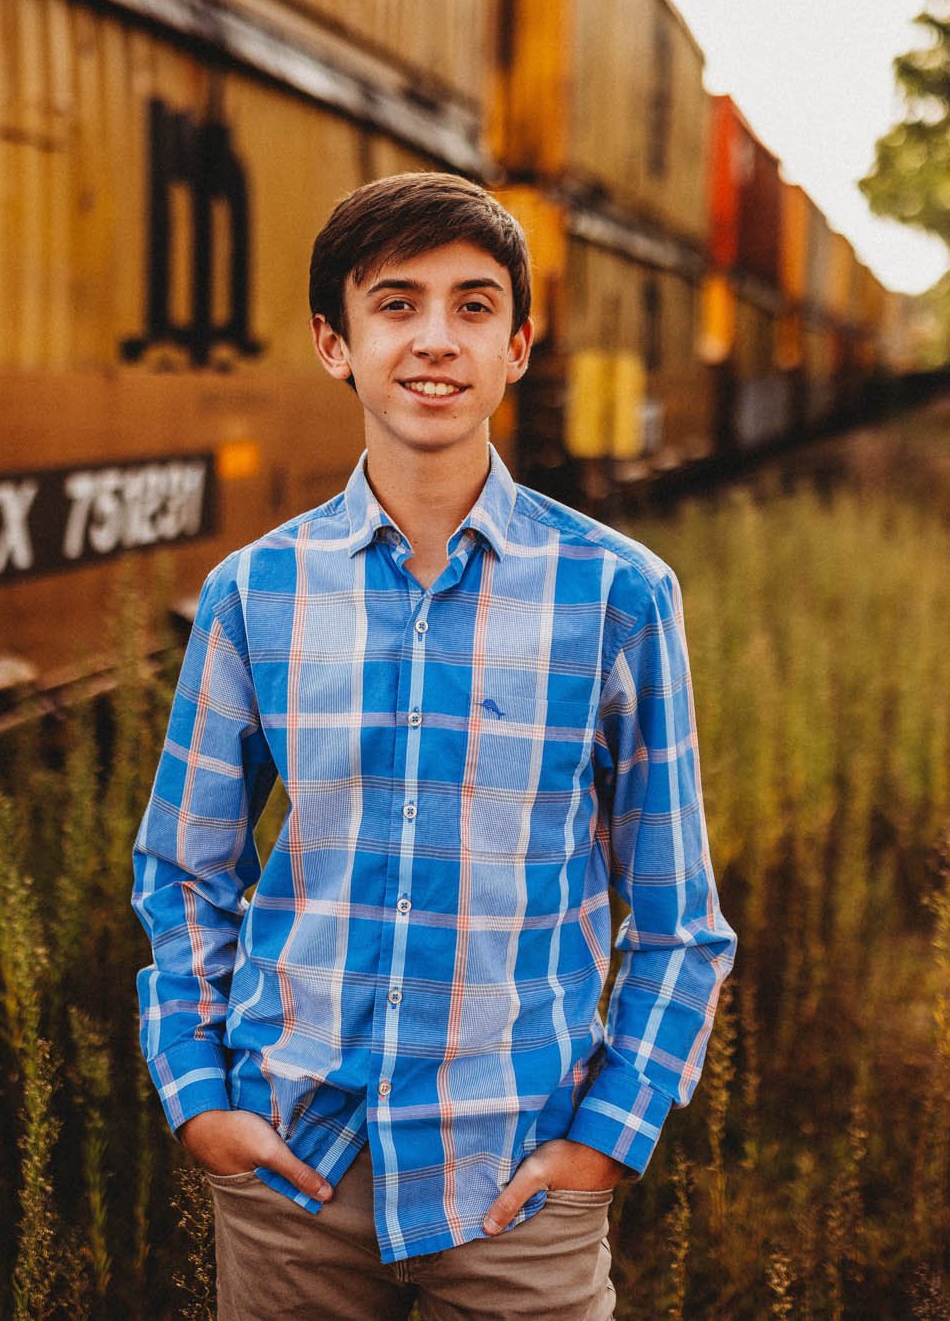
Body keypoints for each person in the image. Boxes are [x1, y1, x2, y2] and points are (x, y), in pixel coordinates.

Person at [130, 171, 736, 1319]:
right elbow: (183, 868)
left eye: (472, 305)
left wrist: (606, 1138)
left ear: (516, 345)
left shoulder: (616, 594)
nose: (434, 340)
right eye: (395, 304)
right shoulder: (253, 593)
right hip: (293, 1165)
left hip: (515, 1170)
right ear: (334, 343)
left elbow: (675, 914)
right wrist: (200, 1097)